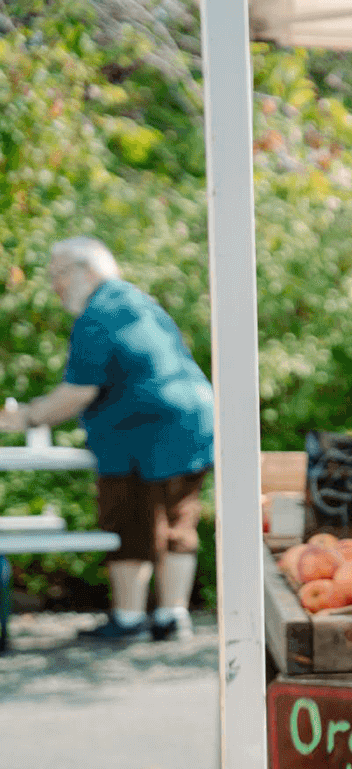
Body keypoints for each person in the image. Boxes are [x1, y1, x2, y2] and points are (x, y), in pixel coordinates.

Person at [0, 238, 214, 642]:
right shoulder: (140, 303)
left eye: (59, 275)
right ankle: (172, 615)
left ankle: (129, 618)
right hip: (193, 420)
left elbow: (78, 392)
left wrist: (25, 417)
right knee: (177, 520)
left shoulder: (98, 314)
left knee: (127, 520)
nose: (55, 286)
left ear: (88, 271)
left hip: (141, 430)